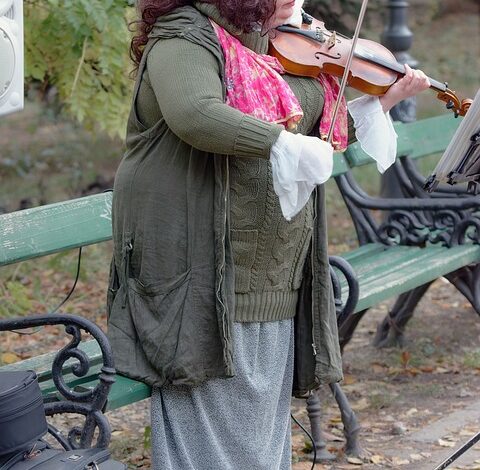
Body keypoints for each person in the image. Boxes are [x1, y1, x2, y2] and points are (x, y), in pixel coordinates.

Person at [106, 1, 430, 468]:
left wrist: (381, 103)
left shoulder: (267, 43)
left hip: (271, 272)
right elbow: (196, 113)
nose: (298, 2)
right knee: (215, 441)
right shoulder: (183, 35)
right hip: (202, 273)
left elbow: (316, 135)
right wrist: (280, 143)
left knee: (260, 443)